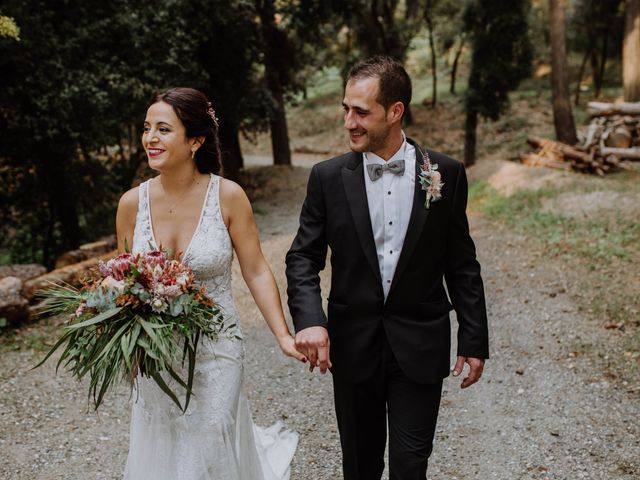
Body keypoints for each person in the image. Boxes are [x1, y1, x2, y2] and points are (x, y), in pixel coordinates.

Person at [285, 55, 489, 479]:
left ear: (395, 111)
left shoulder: (445, 174)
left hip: (420, 342)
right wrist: (309, 320)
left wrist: (474, 337)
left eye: (361, 111)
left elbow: (462, 263)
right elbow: (303, 256)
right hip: (353, 343)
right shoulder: (327, 178)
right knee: (359, 466)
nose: (349, 122)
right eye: (345, 109)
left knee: (410, 465)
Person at [116, 87, 306, 480]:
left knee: (209, 442)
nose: (150, 138)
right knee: (166, 446)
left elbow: (255, 270)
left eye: (164, 129)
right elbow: (121, 278)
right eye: (147, 128)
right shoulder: (131, 204)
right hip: (157, 353)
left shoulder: (229, 196)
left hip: (218, 347)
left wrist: (284, 336)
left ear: (195, 140)